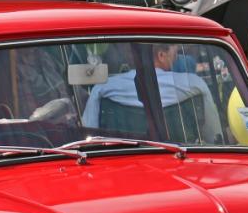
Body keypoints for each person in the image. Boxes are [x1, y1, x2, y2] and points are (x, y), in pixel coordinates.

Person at [81, 43, 222, 142]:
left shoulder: (102, 89)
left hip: (120, 165)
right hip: (179, 159)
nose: (177, 56)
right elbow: (214, 136)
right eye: (174, 52)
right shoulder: (195, 85)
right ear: (161, 55)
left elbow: (88, 138)